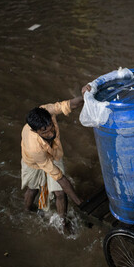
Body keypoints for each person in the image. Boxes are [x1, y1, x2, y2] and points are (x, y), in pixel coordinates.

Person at [21, 84, 91, 230]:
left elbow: (69, 104)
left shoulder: (47, 111)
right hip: (33, 161)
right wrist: (80, 203)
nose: (50, 132)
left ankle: (63, 222)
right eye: (44, 132)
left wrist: (85, 96)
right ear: (35, 131)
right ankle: (26, 211)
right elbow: (60, 177)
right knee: (33, 189)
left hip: (53, 154)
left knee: (60, 193)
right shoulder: (34, 147)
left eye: (50, 126)